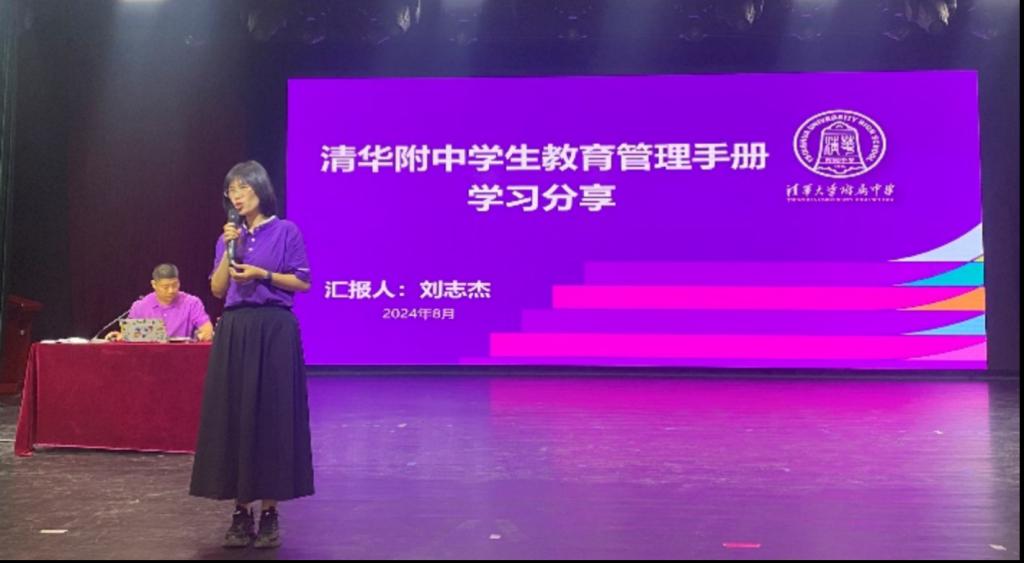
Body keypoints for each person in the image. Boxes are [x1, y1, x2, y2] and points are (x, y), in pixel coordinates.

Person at [188, 161, 314, 549]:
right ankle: (241, 512)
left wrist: (262, 275)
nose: (236, 196)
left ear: (260, 189)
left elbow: (303, 282)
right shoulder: (229, 236)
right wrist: (229, 251)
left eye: (243, 188)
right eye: (231, 191)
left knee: (271, 418)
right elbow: (217, 288)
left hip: (274, 328)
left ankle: (270, 512)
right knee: (236, 416)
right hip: (236, 328)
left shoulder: (286, 230)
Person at [105, 263, 213, 341]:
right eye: (165, 287)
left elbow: (207, 329)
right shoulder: (140, 306)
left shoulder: (192, 303)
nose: (171, 291)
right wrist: (120, 336)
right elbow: (129, 335)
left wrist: (204, 334)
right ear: (154, 285)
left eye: (175, 285)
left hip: (182, 355)